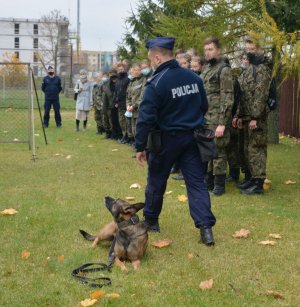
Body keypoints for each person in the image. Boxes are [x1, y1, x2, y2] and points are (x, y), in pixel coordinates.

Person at [135, 37, 216, 246]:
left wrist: (140, 146)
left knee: (156, 180)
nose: (151, 62)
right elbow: (203, 106)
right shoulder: (194, 78)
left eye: (151, 59)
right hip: (192, 139)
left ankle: (151, 221)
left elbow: (145, 118)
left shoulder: (156, 83)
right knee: (196, 183)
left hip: (166, 140)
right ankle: (205, 228)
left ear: (157, 57)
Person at [234, 38, 271, 194]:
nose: (248, 51)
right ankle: (251, 178)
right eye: (247, 48)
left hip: (257, 117)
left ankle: (258, 183)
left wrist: (255, 117)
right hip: (247, 117)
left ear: (259, 49)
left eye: (252, 48)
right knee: (248, 148)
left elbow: (260, 95)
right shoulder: (249, 68)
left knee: (256, 148)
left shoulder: (262, 69)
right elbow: (242, 94)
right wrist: (239, 116)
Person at [202, 37, 234, 196]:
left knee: (219, 150)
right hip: (206, 118)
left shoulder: (224, 69)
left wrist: (222, 123)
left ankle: (219, 184)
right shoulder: (206, 69)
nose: (207, 52)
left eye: (211, 49)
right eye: (206, 50)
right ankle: (209, 180)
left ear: (218, 50)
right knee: (208, 149)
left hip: (218, 118)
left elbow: (228, 97)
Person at [113, 63, 130, 141]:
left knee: (126, 121)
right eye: (119, 69)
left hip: (126, 104)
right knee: (121, 121)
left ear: (125, 69)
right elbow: (116, 92)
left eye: (122, 69)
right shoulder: (118, 80)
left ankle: (128, 136)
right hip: (119, 104)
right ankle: (124, 135)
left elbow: (128, 92)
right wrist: (116, 101)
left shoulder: (127, 79)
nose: (120, 70)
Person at [102, 69, 118, 138]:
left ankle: (112, 133)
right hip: (106, 104)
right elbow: (102, 92)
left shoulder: (117, 82)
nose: (112, 75)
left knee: (112, 119)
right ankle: (107, 132)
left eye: (113, 73)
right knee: (105, 118)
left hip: (113, 104)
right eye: (110, 74)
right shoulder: (106, 83)